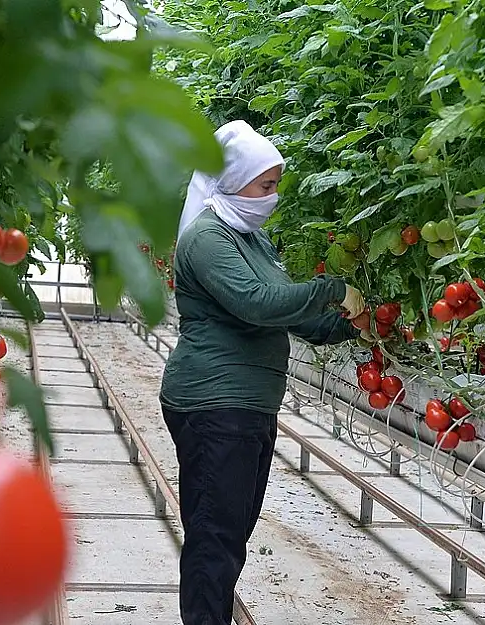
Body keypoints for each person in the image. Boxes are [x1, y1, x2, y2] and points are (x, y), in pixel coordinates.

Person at [159, 120, 367, 625]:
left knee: (230, 532)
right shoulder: (207, 237)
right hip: (214, 403)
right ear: (234, 178)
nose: (271, 197)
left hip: (246, 407)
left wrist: (358, 328)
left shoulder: (250, 239)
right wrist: (333, 290)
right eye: (266, 185)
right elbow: (257, 303)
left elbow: (291, 315)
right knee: (216, 536)